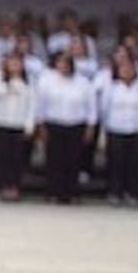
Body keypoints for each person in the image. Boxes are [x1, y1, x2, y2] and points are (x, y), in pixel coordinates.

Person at [35, 51, 96, 205]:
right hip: (54, 124)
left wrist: (90, 126)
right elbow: (40, 105)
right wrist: (41, 125)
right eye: (60, 63)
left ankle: (72, 193)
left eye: (66, 63)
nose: (63, 66)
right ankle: (53, 192)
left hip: (76, 124)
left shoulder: (83, 82)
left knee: (73, 160)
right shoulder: (46, 81)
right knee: (54, 160)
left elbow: (91, 106)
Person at [99, 56, 138, 206]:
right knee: (115, 163)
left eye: (130, 68)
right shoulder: (112, 87)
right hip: (116, 129)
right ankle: (114, 192)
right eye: (123, 68)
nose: (126, 71)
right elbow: (104, 108)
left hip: (136, 129)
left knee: (134, 164)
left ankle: (132, 193)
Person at [0, 54, 35, 201]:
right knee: (1, 157)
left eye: (17, 63)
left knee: (17, 158)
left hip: (18, 124)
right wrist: (5, 84)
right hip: (0, 123)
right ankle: (3, 186)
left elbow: (32, 104)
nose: (14, 66)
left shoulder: (28, 81)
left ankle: (15, 187)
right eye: (11, 63)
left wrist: (29, 125)